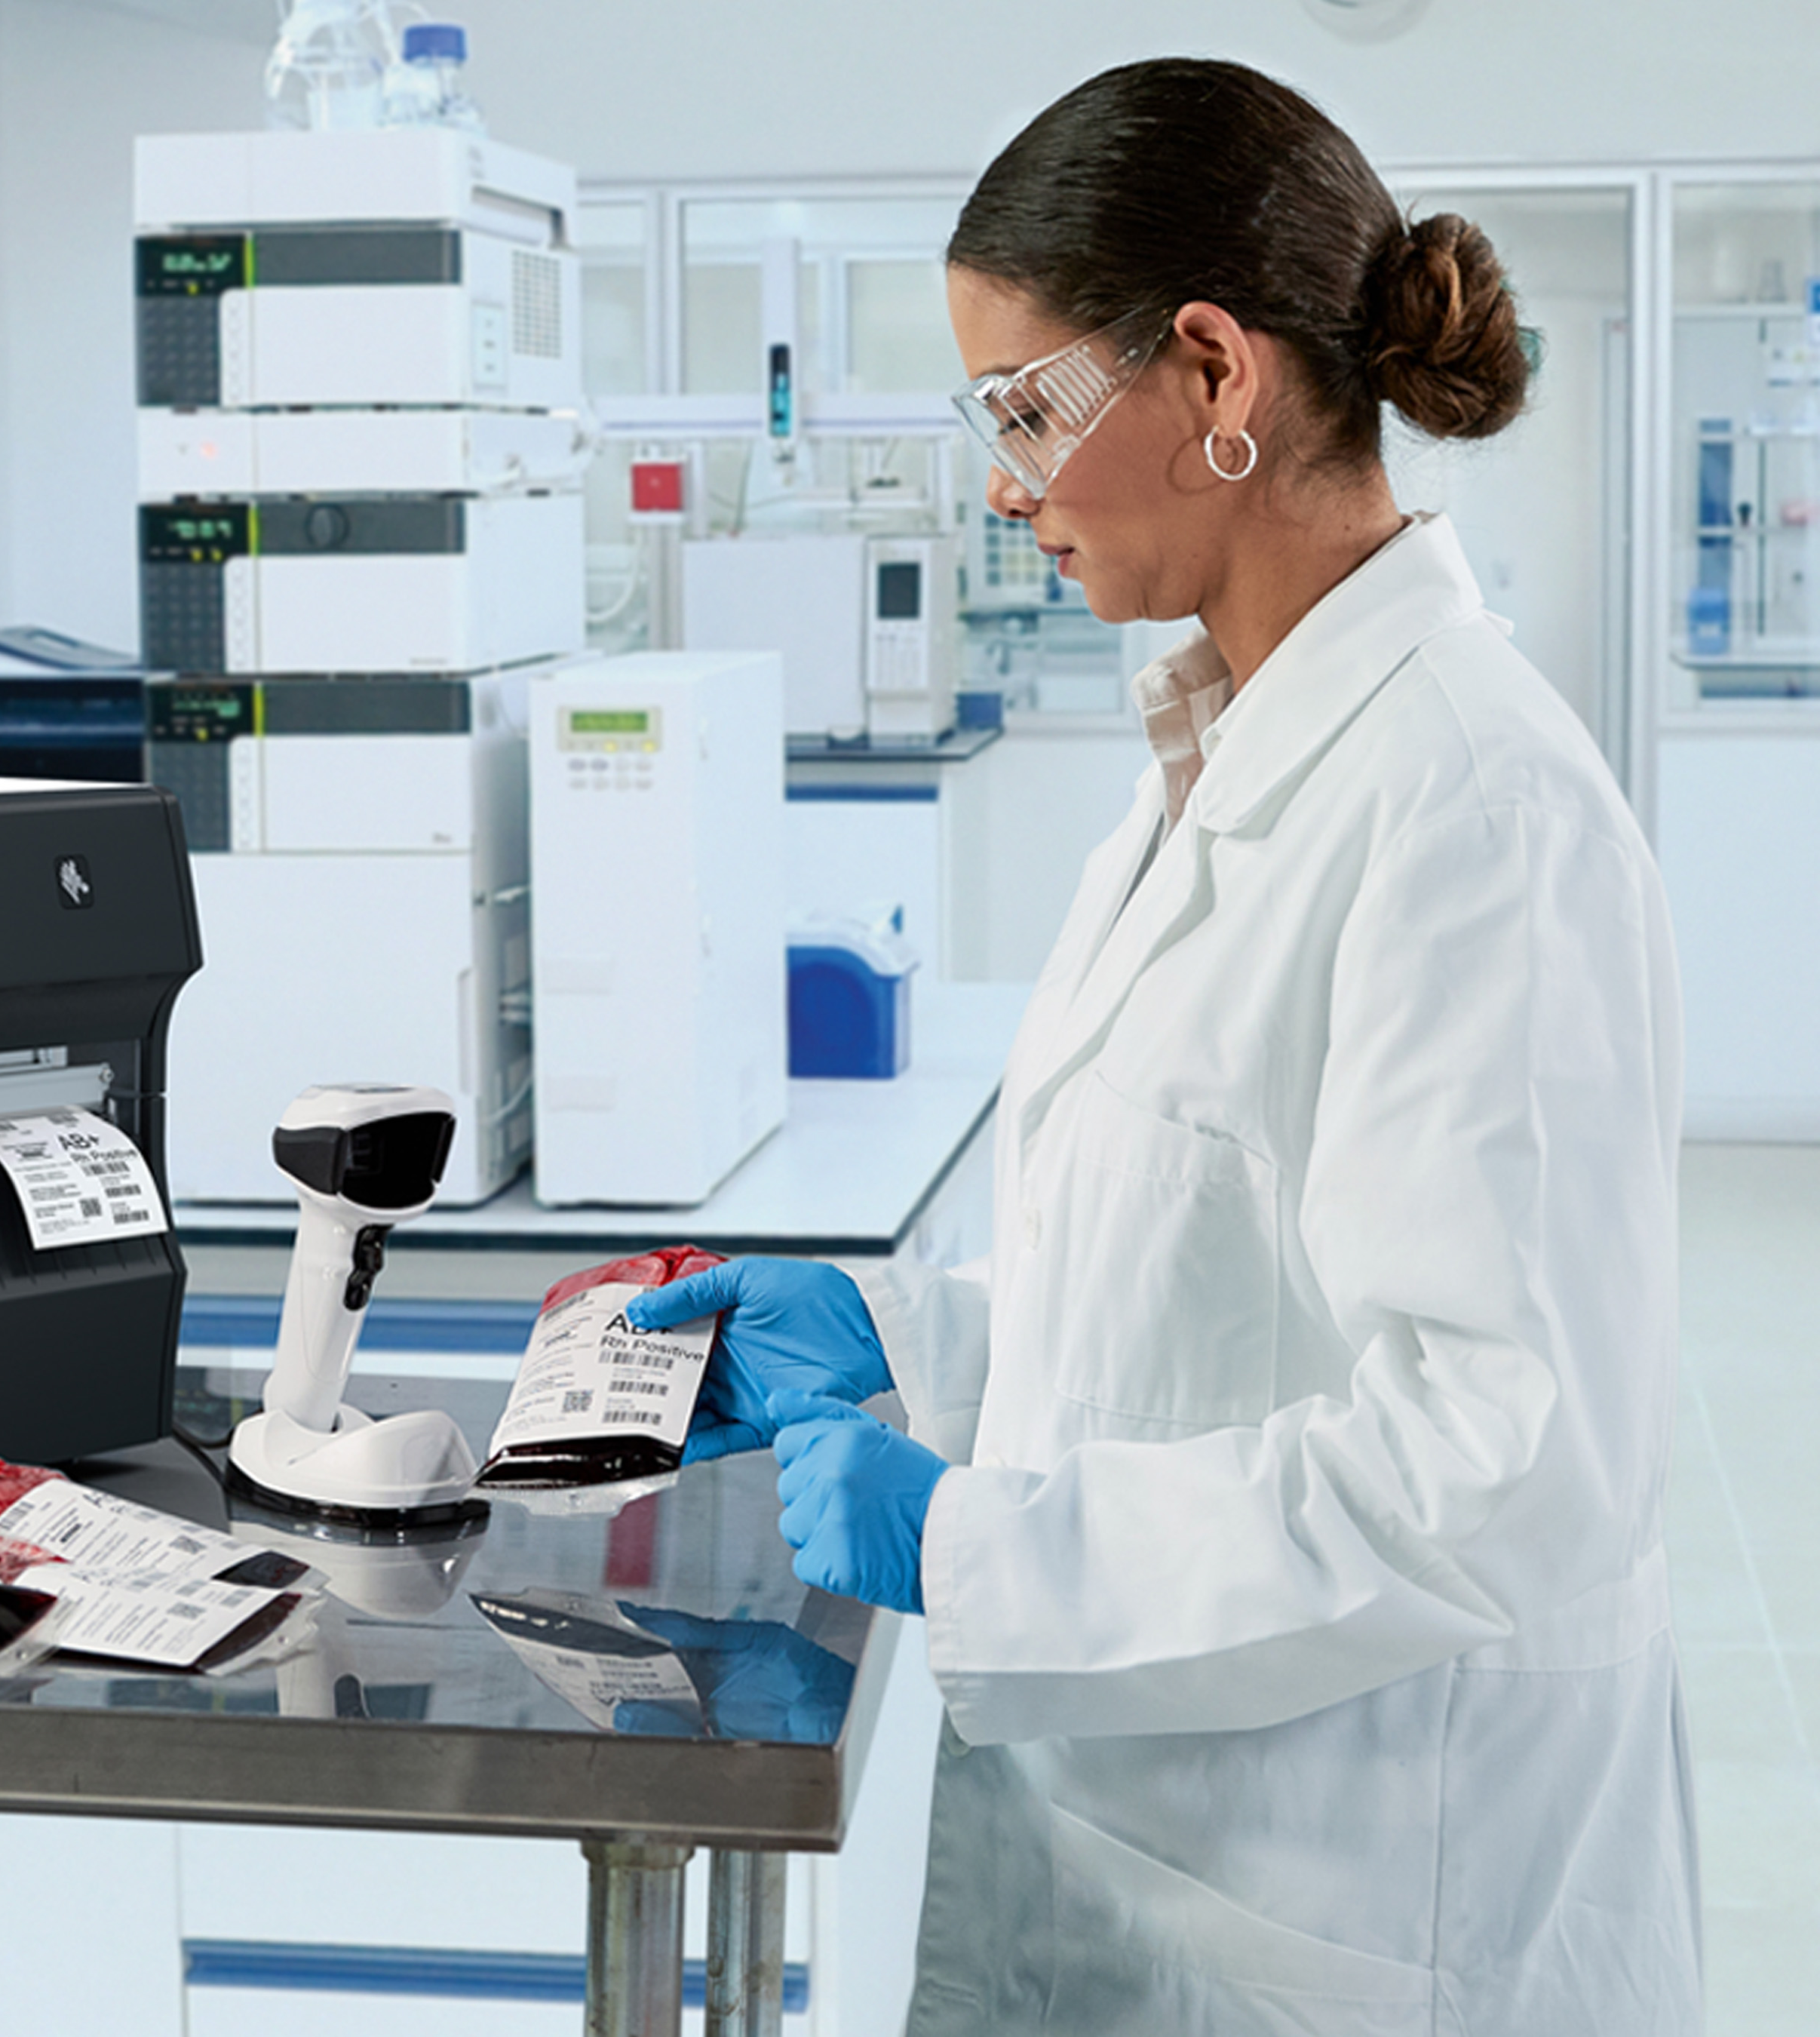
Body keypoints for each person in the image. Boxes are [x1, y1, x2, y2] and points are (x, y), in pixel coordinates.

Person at [626, 57, 1702, 2035]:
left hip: (1365, 1916)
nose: (1006, 481)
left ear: (1218, 377)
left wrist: (973, 1537)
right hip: (1161, 1878)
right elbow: (1192, 1288)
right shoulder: (1225, 753)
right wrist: (915, 1343)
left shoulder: (1471, 803)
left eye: (1026, 408)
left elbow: (1494, 1459)